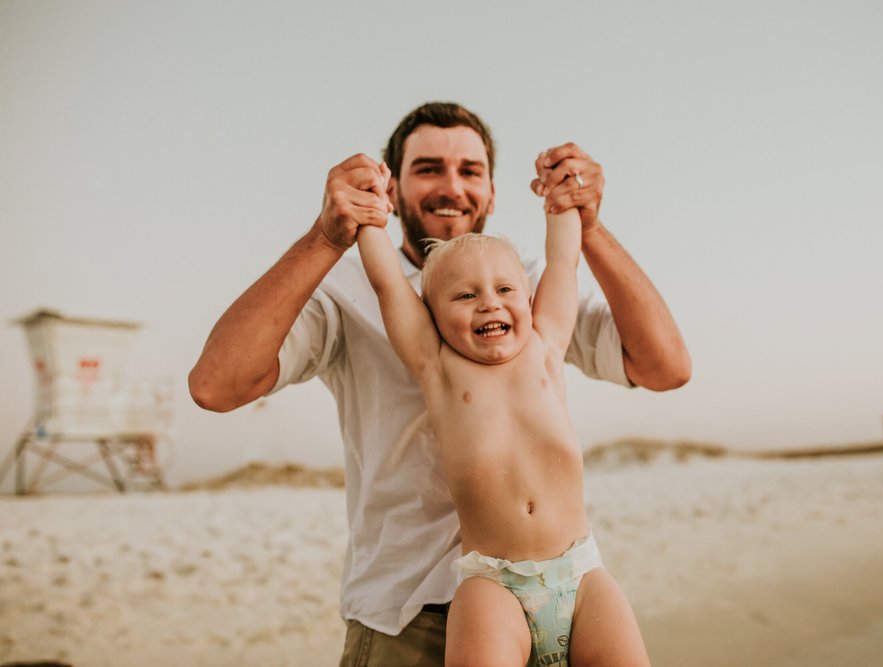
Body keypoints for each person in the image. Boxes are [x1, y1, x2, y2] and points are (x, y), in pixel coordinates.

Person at [188, 101, 690, 666]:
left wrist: (579, 212)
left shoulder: (522, 294)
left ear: (494, 193)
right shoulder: (362, 298)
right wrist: (332, 235)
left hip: (575, 575)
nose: (451, 186)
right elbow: (215, 385)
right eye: (427, 168)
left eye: (470, 170)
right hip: (407, 615)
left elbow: (665, 365)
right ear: (393, 189)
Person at [356, 156, 651, 665]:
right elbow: (388, 285)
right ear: (431, 316)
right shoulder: (439, 369)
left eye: (505, 290)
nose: (489, 303)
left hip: (581, 576)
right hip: (493, 585)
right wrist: (367, 216)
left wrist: (562, 202)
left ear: (528, 298)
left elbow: (563, 263)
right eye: (465, 295)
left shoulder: (547, 346)